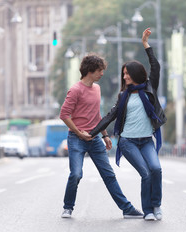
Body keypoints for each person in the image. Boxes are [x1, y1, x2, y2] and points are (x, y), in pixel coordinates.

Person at [89, 28, 167, 221]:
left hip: (146, 140)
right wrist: (92, 133)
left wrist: (146, 45)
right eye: (123, 74)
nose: (124, 77)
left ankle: (156, 205)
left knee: (156, 169)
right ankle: (148, 211)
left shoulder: (149, 88)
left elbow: (155, 66)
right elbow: (110, 116)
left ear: (135, 74)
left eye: (127, 74)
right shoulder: (123, 96)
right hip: (128, 142)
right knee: (146, 174)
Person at [59, 51, 143, 219]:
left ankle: (127, 209)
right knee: (76, 174)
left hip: (95, 138)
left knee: (109, 175)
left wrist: (104, 135)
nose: (102, 73)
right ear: (90, 70)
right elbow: (64, 114)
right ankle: (68, 207)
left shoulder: (97, 89)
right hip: (76, 139)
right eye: (100, 70)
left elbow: (96, 115)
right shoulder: (75, 90)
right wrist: (78, 133)